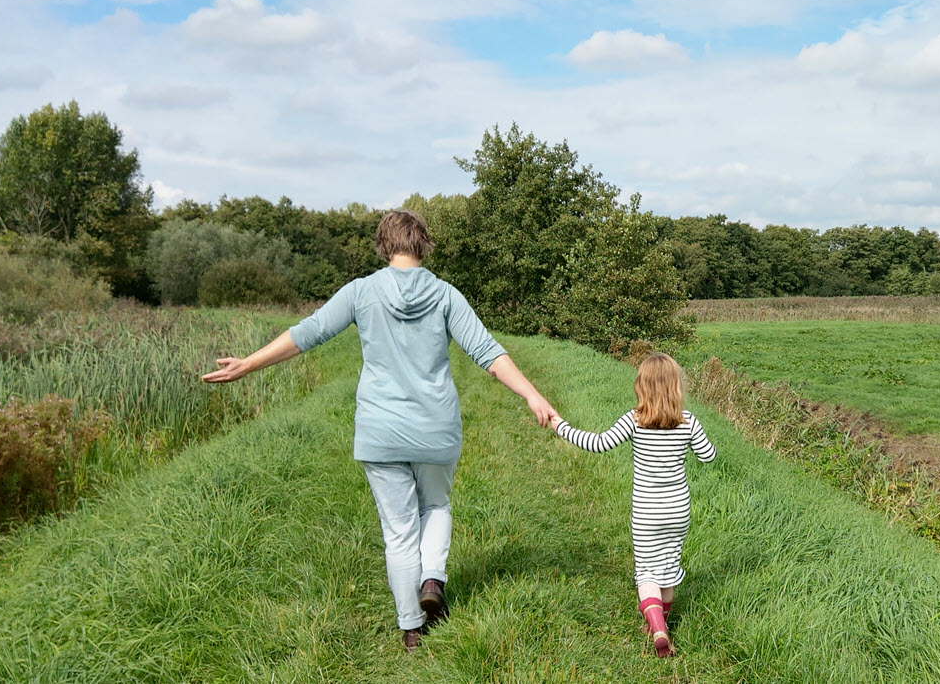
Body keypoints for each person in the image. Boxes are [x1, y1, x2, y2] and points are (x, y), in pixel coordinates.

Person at [202, 210, 557, 652]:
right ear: (423, 244)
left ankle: (411, 629)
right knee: (438, 505)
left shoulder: (361, 292)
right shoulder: (446, 295)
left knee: (398, 530)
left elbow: (308, 332)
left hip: (381, 431)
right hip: (435, 429)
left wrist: (247, 364)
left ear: (384, 245)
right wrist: (531, 394)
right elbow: (486, 350)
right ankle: (433, 578)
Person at [549, 353, 716, 658]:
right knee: (667, 566)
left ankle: (657, 627)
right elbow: (709, 456)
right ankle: (660, 621)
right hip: (678, 510)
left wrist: (561, 426)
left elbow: (597, 443)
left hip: (647, 512)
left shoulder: (634, 420)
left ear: (641, 386)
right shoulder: (688, 421)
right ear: (676, 386)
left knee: (647, 572)